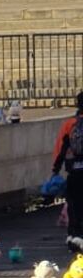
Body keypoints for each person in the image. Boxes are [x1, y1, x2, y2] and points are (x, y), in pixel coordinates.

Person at [51, 90, 83, 246]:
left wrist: (55, 169)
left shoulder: (70, 124)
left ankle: (73, 235)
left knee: (73, 203)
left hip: (74, 170)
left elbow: (60, 149)